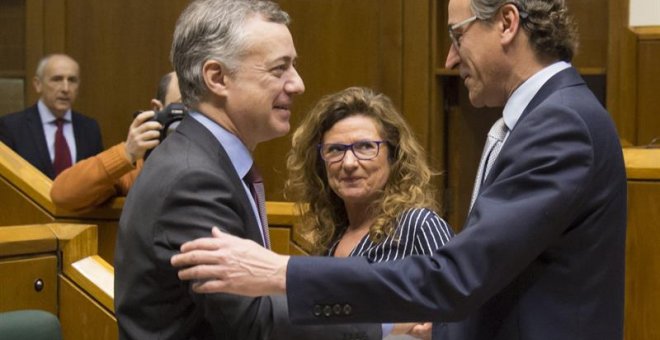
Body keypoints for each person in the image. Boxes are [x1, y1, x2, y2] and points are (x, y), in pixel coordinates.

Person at [171, 0, 628, 339]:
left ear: (506, 23)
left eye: (457, 35)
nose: (450, 59)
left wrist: (282, 272)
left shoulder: (560, 123)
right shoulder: (546, 118)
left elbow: (457, 277)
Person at [114, 1, 382, 339]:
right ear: (217, 77)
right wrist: (379, 322)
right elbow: (252, 322)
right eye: (279, 69)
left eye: (293, 66)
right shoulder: (192, 180)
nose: (297, 84)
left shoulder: (205, 161)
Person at [286, 86, 454, 337]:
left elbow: (461, 313)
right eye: (335, 150)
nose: (349, 163)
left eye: (365, 147)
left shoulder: (417, 225)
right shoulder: (331, 237)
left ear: (393, 155)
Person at [50, 71, 181, 212]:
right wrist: (126, 153)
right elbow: (62, 195)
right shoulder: (139, 169)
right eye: (185, 107)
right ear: (157, 109)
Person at [0, 54, 103, 179]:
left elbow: (99, 178)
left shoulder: (90, 128)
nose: (65, 88)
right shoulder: (12, 127)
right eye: (57, 79)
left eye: (72, 80)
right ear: (38, 84)